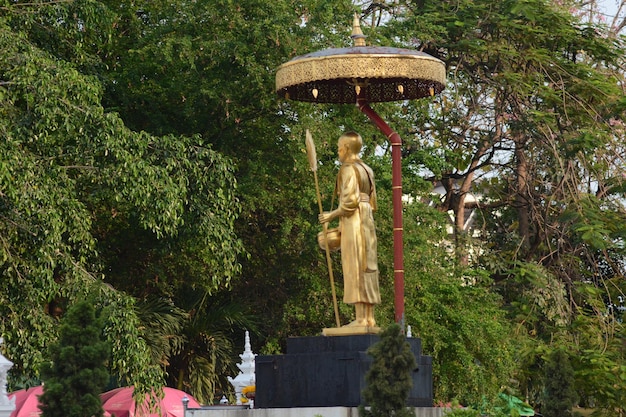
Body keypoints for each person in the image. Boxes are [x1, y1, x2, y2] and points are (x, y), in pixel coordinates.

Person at [319, 131, 380, 327]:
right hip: (366, 218)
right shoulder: (367, 169)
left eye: (339, 147)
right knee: (367, 265)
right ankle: (368, 317)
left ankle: (362, 319)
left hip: (354, 220)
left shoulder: (347, 169)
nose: (338, 151)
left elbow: (350, 200)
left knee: (356, 265)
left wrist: (332, 215)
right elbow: (371, 199)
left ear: (346, 149)